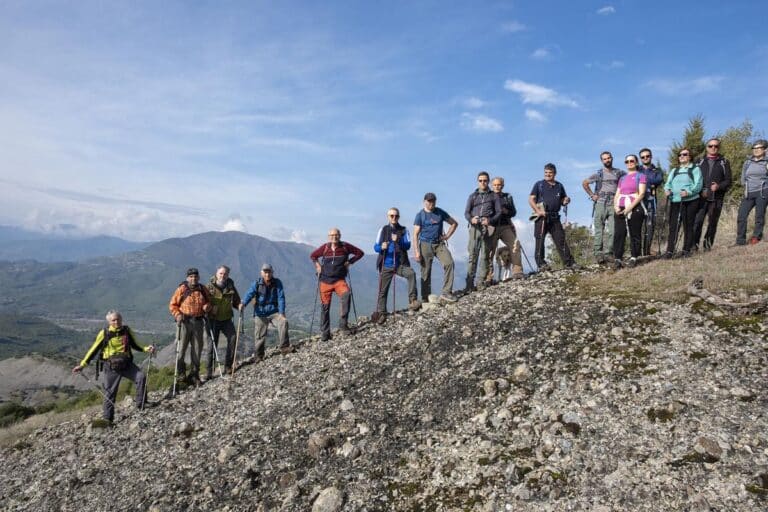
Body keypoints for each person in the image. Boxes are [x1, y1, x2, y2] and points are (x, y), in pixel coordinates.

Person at [72, 310, 156, 425]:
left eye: (118, 319)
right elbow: (93, 350)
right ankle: (108, 419)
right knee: (110, 392)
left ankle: (141, 403)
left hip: (126, 364)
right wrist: (82, 365)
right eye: (113, 320)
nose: (116, 322)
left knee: (141, 377)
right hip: (111, 367)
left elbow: (135, 345)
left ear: (121, 319)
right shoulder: (104, 333)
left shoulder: (126, 330)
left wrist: (146, 349)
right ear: (109, 322)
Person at [310, 229, 364, 341]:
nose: (334, 237)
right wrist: (317, 265)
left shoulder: (345, 247)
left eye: (336, 235)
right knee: (325, 308)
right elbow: (313, 256)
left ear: (340, 236)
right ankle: (325, 333)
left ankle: (343, 325)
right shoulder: (325, 248)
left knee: (346, 295)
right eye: (332, 235)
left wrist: (350, 262)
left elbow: (360, 253)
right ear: (328, 236)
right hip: (325, 280)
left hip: (339, 280)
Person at [373, 208, 420, 323]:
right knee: (383, 291)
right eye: (391, 216)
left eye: (396, 216)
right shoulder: (383, 230)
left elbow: (407, 245)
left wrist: (398, 240)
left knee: (411, 274)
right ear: (388, 217)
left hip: (399, 263)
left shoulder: (404, 230)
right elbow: (375, 247)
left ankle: (412, 301)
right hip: (386, 264)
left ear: (399, 217)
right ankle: (382, 313)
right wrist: (381, 247)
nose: (394, 218)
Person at [168, 268, 211, 387]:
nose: (193, 279)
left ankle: (194, 374)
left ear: (198, 277)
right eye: (191, 277)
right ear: (187, 278)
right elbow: (173, 304)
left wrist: (207, 306)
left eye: (195, 276)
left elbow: (209, 302)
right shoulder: (182, 289)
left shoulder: (203, 289)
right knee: (181, 350)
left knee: (197, 349)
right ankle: (181, 375)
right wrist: (177, 315)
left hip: (198, 322)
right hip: (184, 322)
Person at [413, 192, 459, 303]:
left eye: (433, 201)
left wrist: (447, 236)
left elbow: (454, 223)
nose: (431, 203)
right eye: (429, 201)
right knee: (426, 271)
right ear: (424, 202)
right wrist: (417, 252)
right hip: (425, 244)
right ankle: (425, 299)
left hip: (439, 243)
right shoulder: (420, 215)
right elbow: (415, 234)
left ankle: (446, 292)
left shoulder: (439, 212)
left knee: (449, 263)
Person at [529, 163, 577, 270]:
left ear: (554, 173)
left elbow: (563, 200)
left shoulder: (559, 186)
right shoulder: (539, 184)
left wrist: (566, 200)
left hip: (555, 217)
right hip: (541, 217)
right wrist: (538, 211)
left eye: (550, 173)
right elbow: (531, 199)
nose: (547, 174)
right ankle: (541, 265)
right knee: (540, 241)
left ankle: (569, 263)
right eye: (546, 172)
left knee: (561, 240)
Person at [240, 263, 292, 360]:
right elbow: (249, 294)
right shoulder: (256, 284)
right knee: (260, 335)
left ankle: (284, 347)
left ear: (272, 273)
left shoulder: (277, 283)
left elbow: (281, 298)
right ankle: (259, 355)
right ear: (261, 273)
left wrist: (282, 312)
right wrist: (243, 304)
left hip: (274, 312)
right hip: (260, 313)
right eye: (265, 272)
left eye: (269, 272)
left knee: (283, 322)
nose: (267, 274)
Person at [583, 152, 624, 264]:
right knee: (599, 230)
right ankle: (598, 254)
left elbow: (628, 179)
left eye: (608, 158)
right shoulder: (599, 174)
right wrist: (592, 195)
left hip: (613, 204)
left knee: (613, 230)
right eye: (604, 159)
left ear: (612, 158)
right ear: (602, 161)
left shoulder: (619, 173)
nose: (607, 160)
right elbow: (585, 183)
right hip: (600, 203)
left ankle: (609, 253)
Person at [464, 171, 502, 291]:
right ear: (478, 181)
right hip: (475, 228)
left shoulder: (494, 196)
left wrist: (489, 220)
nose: (483, 182)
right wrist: (471, 219)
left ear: (488, 181)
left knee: (485, 255)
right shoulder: (472, 196)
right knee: (472, 255)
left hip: (488, 228)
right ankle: (469, 284)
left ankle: (480, 282)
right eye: (480, 180)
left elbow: (499, 212)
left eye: (485, 180)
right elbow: (466, 212)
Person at [693, 138, 731, 250]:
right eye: (710, 146)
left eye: (716, 146)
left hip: (716, 198)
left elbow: (728, 180)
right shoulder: (699, 162)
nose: (713, 148)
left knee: (712, 223)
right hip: (700, 198)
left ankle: (707, 246)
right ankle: (693, 246)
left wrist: (718, 186)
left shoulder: (724, 162)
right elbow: (692, 179)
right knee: (697, 222)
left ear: (719, 148)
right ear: (706, 148)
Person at [663, 148, 703, 258]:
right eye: (680, 155)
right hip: (675, 201)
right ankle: (670, 251)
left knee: (688, 225)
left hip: (690, 201)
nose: (681, 156)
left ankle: (686, 250)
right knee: (673, 227)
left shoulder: (695, 169)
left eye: (685, 154)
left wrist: (689, 192)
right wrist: (667, 190)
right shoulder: (674, 170)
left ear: (690, 157)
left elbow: (698, 184)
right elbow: (668, 183)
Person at [204, 265, 241, 379]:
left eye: (225, 274)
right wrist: (209, 307)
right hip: (212, 320)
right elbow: (203, 303)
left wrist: (239, 305)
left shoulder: (230, 286)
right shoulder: (208, 287)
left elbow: (236, 300)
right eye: (221, 273)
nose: (223, 276)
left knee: (233, 339)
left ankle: (228, 366)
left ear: (228, 275)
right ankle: (209, 372)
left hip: (226, 319)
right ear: (216, 273)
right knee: (211, 346)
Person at [612, 155, 647, 268]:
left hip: (634, 206)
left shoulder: (641, 176)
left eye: (632, 161)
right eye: (627, 161)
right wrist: (616, 207)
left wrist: (629, 208)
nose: (629, 163)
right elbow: (617, 194)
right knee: (619, 233)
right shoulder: (622, 178)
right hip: (620, 207)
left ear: (636, 162)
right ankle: (617, 258)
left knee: (634, 232)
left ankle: (634, 257)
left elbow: (641, 194)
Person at [486, 176, 524, 280]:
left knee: (515, 245)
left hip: (505, 225)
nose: (497, 187)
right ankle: (489, 276)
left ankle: (517, 271)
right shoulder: (487, 196)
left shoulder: (507, 197)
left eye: (499, 185)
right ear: (491, 185)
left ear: (502, 185)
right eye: (495, 185)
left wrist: (506, 211)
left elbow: (514, 212)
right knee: (489, 251)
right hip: (492, 226)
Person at [736, 139, 768, 245]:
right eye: (754, 148)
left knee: (759, 216)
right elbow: (743, 176)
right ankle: (740, 240)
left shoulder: (766, 162)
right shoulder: (748, 162)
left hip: (762, 192)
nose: (756, 150)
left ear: (764, 149)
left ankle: (756, 237)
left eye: (759, 148)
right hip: (749, 192)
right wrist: (744, 185)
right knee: (741, 215)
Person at [638, 148, 664, 256]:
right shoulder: (636, 169)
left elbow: (659, 180)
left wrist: (643, 181)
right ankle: (636, 252)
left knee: (650, 225)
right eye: (643, 157)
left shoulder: (656, 170)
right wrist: (649, 182)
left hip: (651, 199)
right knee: (637, 227)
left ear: (651, 156)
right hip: (638, 201)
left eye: (647, 156)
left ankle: (647, 250)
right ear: (640, 158)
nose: (645, 158)